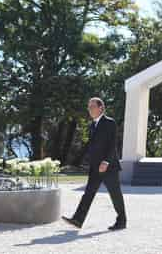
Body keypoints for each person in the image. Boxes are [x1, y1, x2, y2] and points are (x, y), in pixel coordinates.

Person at [62, 97, 127, 231]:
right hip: (95, 167)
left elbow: (112, 145)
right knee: (88, 193)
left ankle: (122, 221)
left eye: (92, 107)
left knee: (115, 194)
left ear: (101, 108)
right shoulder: (92, 125)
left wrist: (106, 161)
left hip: (109, 166)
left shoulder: (110, 123)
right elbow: (92, 146)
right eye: (89, 107)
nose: (89, 109)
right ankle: (78, 219)